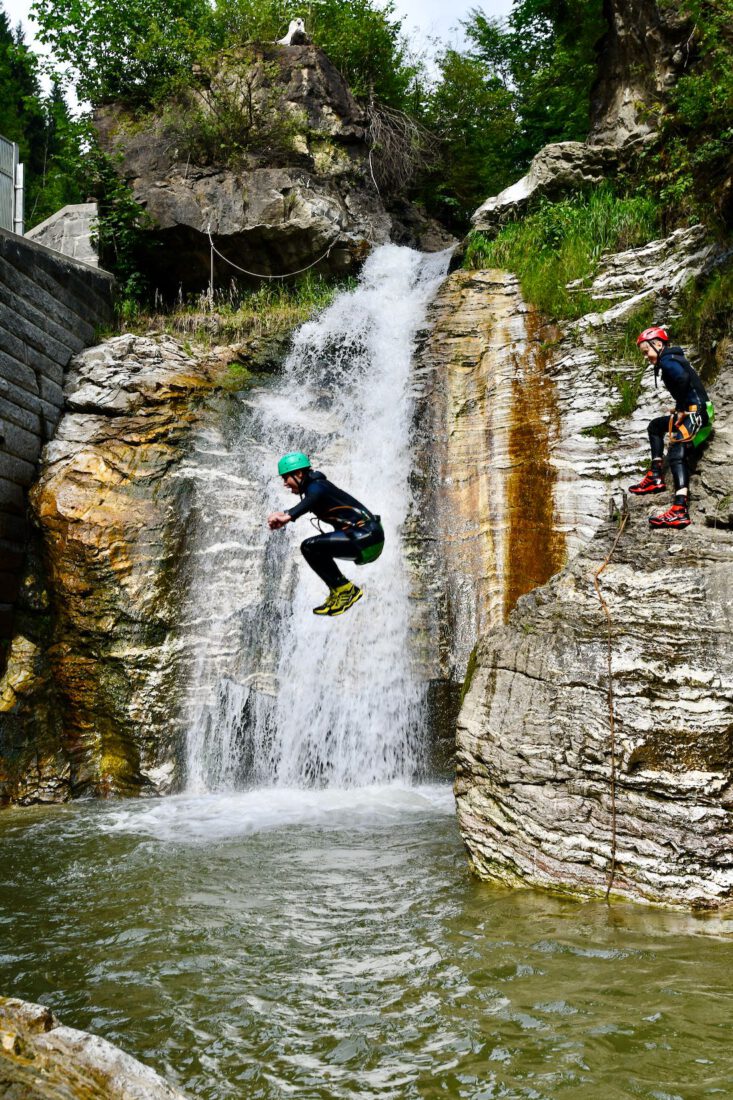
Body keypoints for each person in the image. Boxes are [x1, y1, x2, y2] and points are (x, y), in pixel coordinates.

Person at [267, 452, 385, 616]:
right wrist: (285, 512)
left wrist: (289, 515)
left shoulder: (317, 486)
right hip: (368, 539)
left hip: (366, 535)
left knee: (309, 547)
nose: (285, 484)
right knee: (314, 549)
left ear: (299, 473)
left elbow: (315, 497)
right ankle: (339, 591)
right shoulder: (316, 487)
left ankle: (345, 591)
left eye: (285, 477)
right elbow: (310, 501)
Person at [629, 327, 714, 529]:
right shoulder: (670, 358)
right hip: (694, 411)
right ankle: (656, 476)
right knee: (655, 427)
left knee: (676, 453)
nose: (646, 357)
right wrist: (679, 409)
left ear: (658, 345)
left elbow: (683, 380)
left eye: (646, 351)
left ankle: (679, 510)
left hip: (698, 414)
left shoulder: (667, 360)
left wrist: (683, 409)